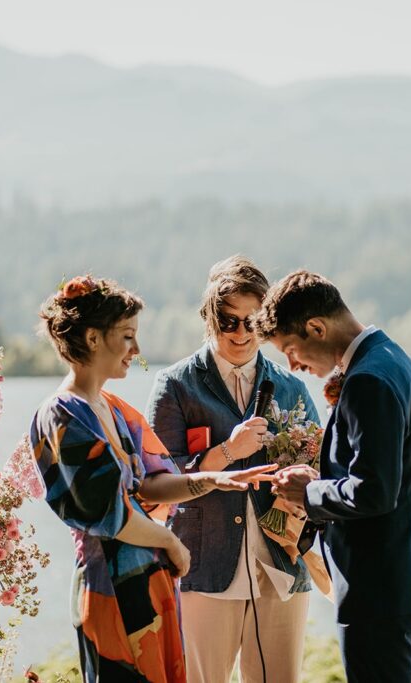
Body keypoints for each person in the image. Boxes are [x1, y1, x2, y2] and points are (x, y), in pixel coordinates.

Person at [30, 274, 274, 683]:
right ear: (92, 339)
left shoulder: (111, 406)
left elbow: (150, 484)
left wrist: (215, 479)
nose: (137, 350)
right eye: (127, 336)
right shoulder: (61, 415)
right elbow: (111, 514)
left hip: (150, 581)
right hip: (111, 586)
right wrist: (171, 542)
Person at [255, 269, 411, 683]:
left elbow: (374, 491)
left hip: (379, 590)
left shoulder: (368, 381)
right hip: (406, 581)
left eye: (291, 350)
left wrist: (309, 491)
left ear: (317, 327)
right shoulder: (393, 360)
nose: (293, 366)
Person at [145, 256, 320, 683]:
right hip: (204, 565)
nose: (241, 333)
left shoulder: (292, 386)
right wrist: (227, 450)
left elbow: (320, 465)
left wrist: (304, 475)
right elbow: (155, 481)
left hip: (281, 564)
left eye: (253, 322)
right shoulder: (176, 385)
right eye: (229, 321)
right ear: (210, 319)